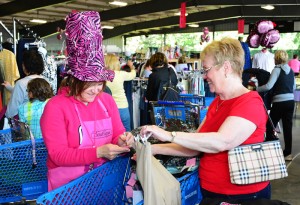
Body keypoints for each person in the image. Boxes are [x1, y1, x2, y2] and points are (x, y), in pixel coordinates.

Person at [140, 38, 270, 202]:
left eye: (206, 69)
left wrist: (168, 134)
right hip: (212, 193)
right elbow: (196, 147)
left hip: (241, 197)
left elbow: (222, 141)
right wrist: (154, 149)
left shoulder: (249, 102)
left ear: (226, 68)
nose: (204, 76)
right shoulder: (218, 102)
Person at [40, 11, 134, 191]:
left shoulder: (106, 101)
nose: (97, 89)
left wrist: (122, 140)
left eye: (100, 83)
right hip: (70, 187)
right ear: (75, 79)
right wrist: (98, 152)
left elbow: (117, 132)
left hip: (104, 181)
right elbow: (58, 154)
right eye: (90, 84)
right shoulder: (55, 107)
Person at [257, 50, 295, 161]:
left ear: (276, 59)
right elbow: (292, 88)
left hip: (279, 102)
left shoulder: (276, 70)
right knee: (288, 128)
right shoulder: (291, 71)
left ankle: (269, 148)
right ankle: (288, 153)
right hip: (290, 102)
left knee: (270, 125)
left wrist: (256, 89)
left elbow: (269, 86)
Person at [4, 50, 45, 118]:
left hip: (25, 124)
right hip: (43, 123)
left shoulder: (21, 83)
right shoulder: (46, 81)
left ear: (24, 66)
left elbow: (11, 112)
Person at [105, 53, 136, 131]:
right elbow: (133, 75)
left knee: (111, 130)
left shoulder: (102, 75)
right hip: (122, 106)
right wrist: (131, 66)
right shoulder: (120, 74)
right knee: (126, 130)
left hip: (108, 108)